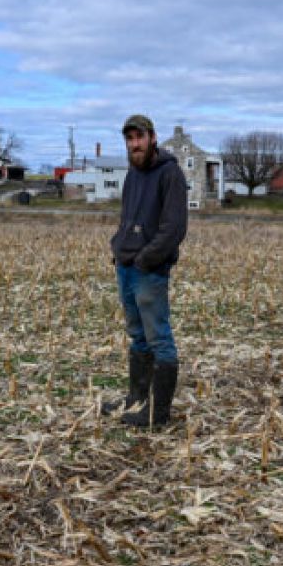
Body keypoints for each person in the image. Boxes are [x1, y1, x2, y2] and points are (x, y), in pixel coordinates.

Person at [102, 114, 188, 428]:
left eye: (139, 137)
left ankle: (157, 414)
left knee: (159, 339)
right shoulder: (133, 174)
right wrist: (119, 248)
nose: (134, 144)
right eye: (129, 139)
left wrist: (146, 259)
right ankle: (136, 399)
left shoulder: (170, 173)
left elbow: (174, 228)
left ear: (152, 138)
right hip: (125, 266)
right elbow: (127, 217)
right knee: (137, 337)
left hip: (148, 271)